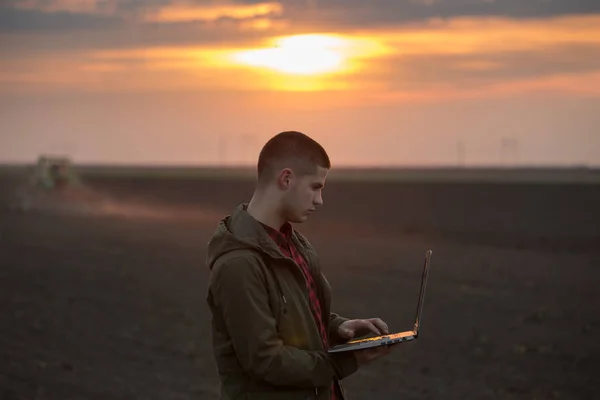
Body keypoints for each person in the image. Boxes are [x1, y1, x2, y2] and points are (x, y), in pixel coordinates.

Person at [206, 131, 393, 400]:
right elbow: (266, 360)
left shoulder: (294, 245)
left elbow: (293, 314)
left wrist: (339, 328)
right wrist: (344, 362)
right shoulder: (239, 264)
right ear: (286, 178)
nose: (319, 200)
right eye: (316, 187)